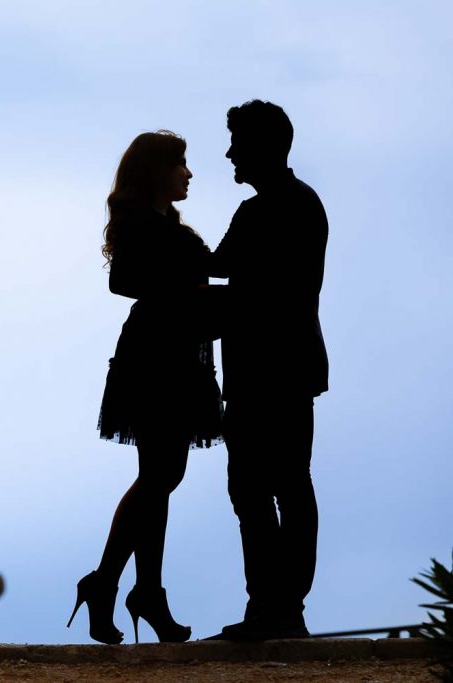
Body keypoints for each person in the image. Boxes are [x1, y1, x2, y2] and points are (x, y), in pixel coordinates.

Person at [67, 131, 224, 644]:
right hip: (157, 358)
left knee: (162, 476)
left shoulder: (167, 226)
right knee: (160, 475)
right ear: (156, 170)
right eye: (180, 164)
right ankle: (115, 584)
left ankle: (138, 589)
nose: (189, 173)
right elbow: (125, 281)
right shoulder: (141, 223)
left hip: (176, 356)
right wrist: (191, 290)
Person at [208, 100, 328, 641]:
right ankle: (276, 608)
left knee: (271, 487)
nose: (230, 153)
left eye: (237, 142)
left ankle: (279, 608)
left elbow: (219, 271)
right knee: (268, 487)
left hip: (267, 369)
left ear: (262, 146)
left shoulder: (269, 211)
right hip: (280, 367)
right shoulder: (293, 204)